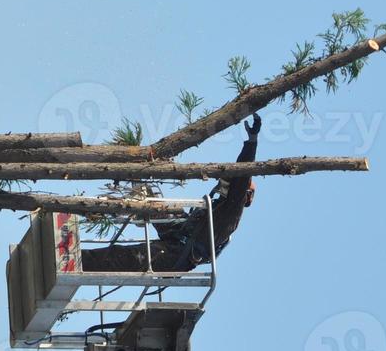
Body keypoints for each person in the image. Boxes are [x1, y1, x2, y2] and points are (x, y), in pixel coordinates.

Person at [81, 114, 261, 273]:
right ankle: (125, 195)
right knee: (151, 200)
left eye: (228, 181)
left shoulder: (231, 212)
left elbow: (242, 175)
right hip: (179, 234)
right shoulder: (217, 207)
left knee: (123, 257)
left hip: (178, 254)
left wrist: (251, 142)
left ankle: (78, 261)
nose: (223, 183)